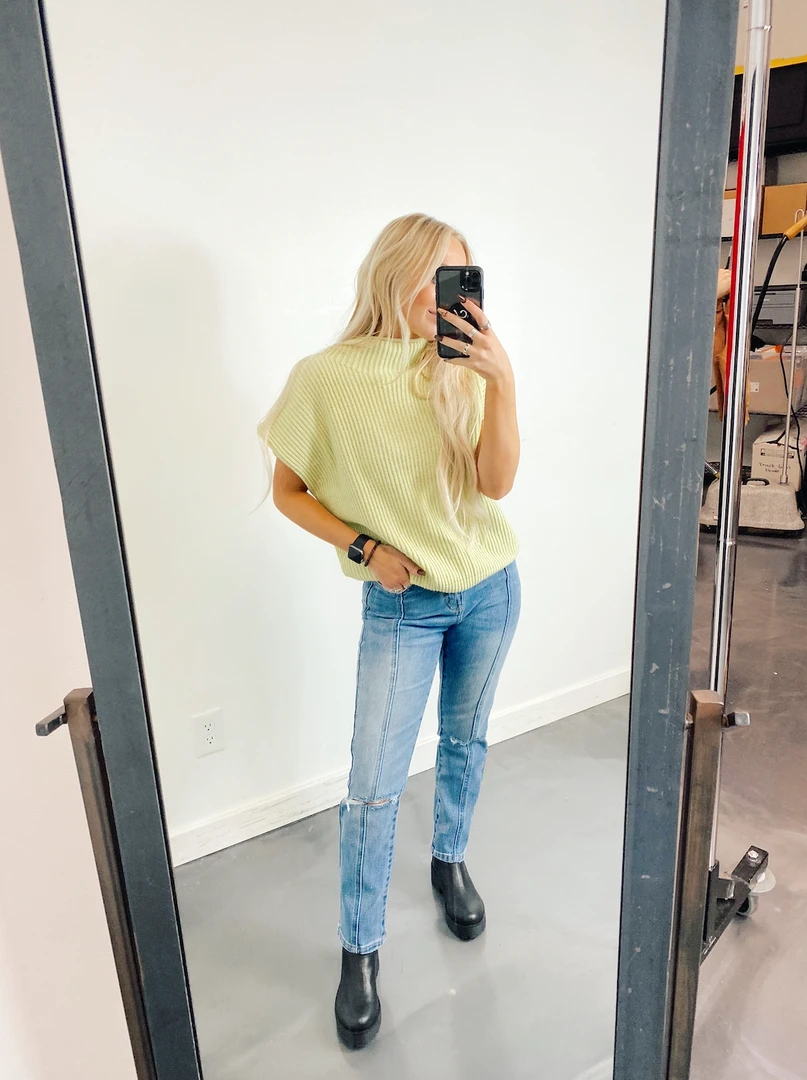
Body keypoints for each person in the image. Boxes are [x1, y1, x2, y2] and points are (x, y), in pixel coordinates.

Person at [257, 212, 522, 1050]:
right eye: (437, 275)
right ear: (394, 273)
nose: (449, 296)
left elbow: (495, 486)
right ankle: (360, 949)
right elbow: (288, 491)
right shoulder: (323, 378)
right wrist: (365, 549)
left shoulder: (462, 367)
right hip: (403, 606)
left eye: (460, 278)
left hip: (490, 588)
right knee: (372, 784)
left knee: (465, 741)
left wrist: (503, 381)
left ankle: (448, 860)